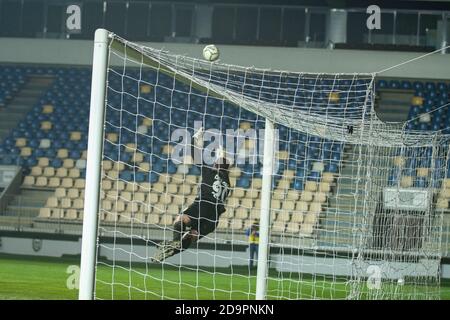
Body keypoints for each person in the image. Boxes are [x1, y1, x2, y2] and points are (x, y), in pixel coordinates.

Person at [152, 127, 232, 262]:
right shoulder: (227, 184)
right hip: (214, 218)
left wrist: (195, 139)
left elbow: (196, 156)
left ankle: (175, 242)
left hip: (204, 205)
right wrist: (221, 155)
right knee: (191, 236)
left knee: (181, 219)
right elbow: (222, 167)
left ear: (215, 166)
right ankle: (171, 252)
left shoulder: (210, 172)